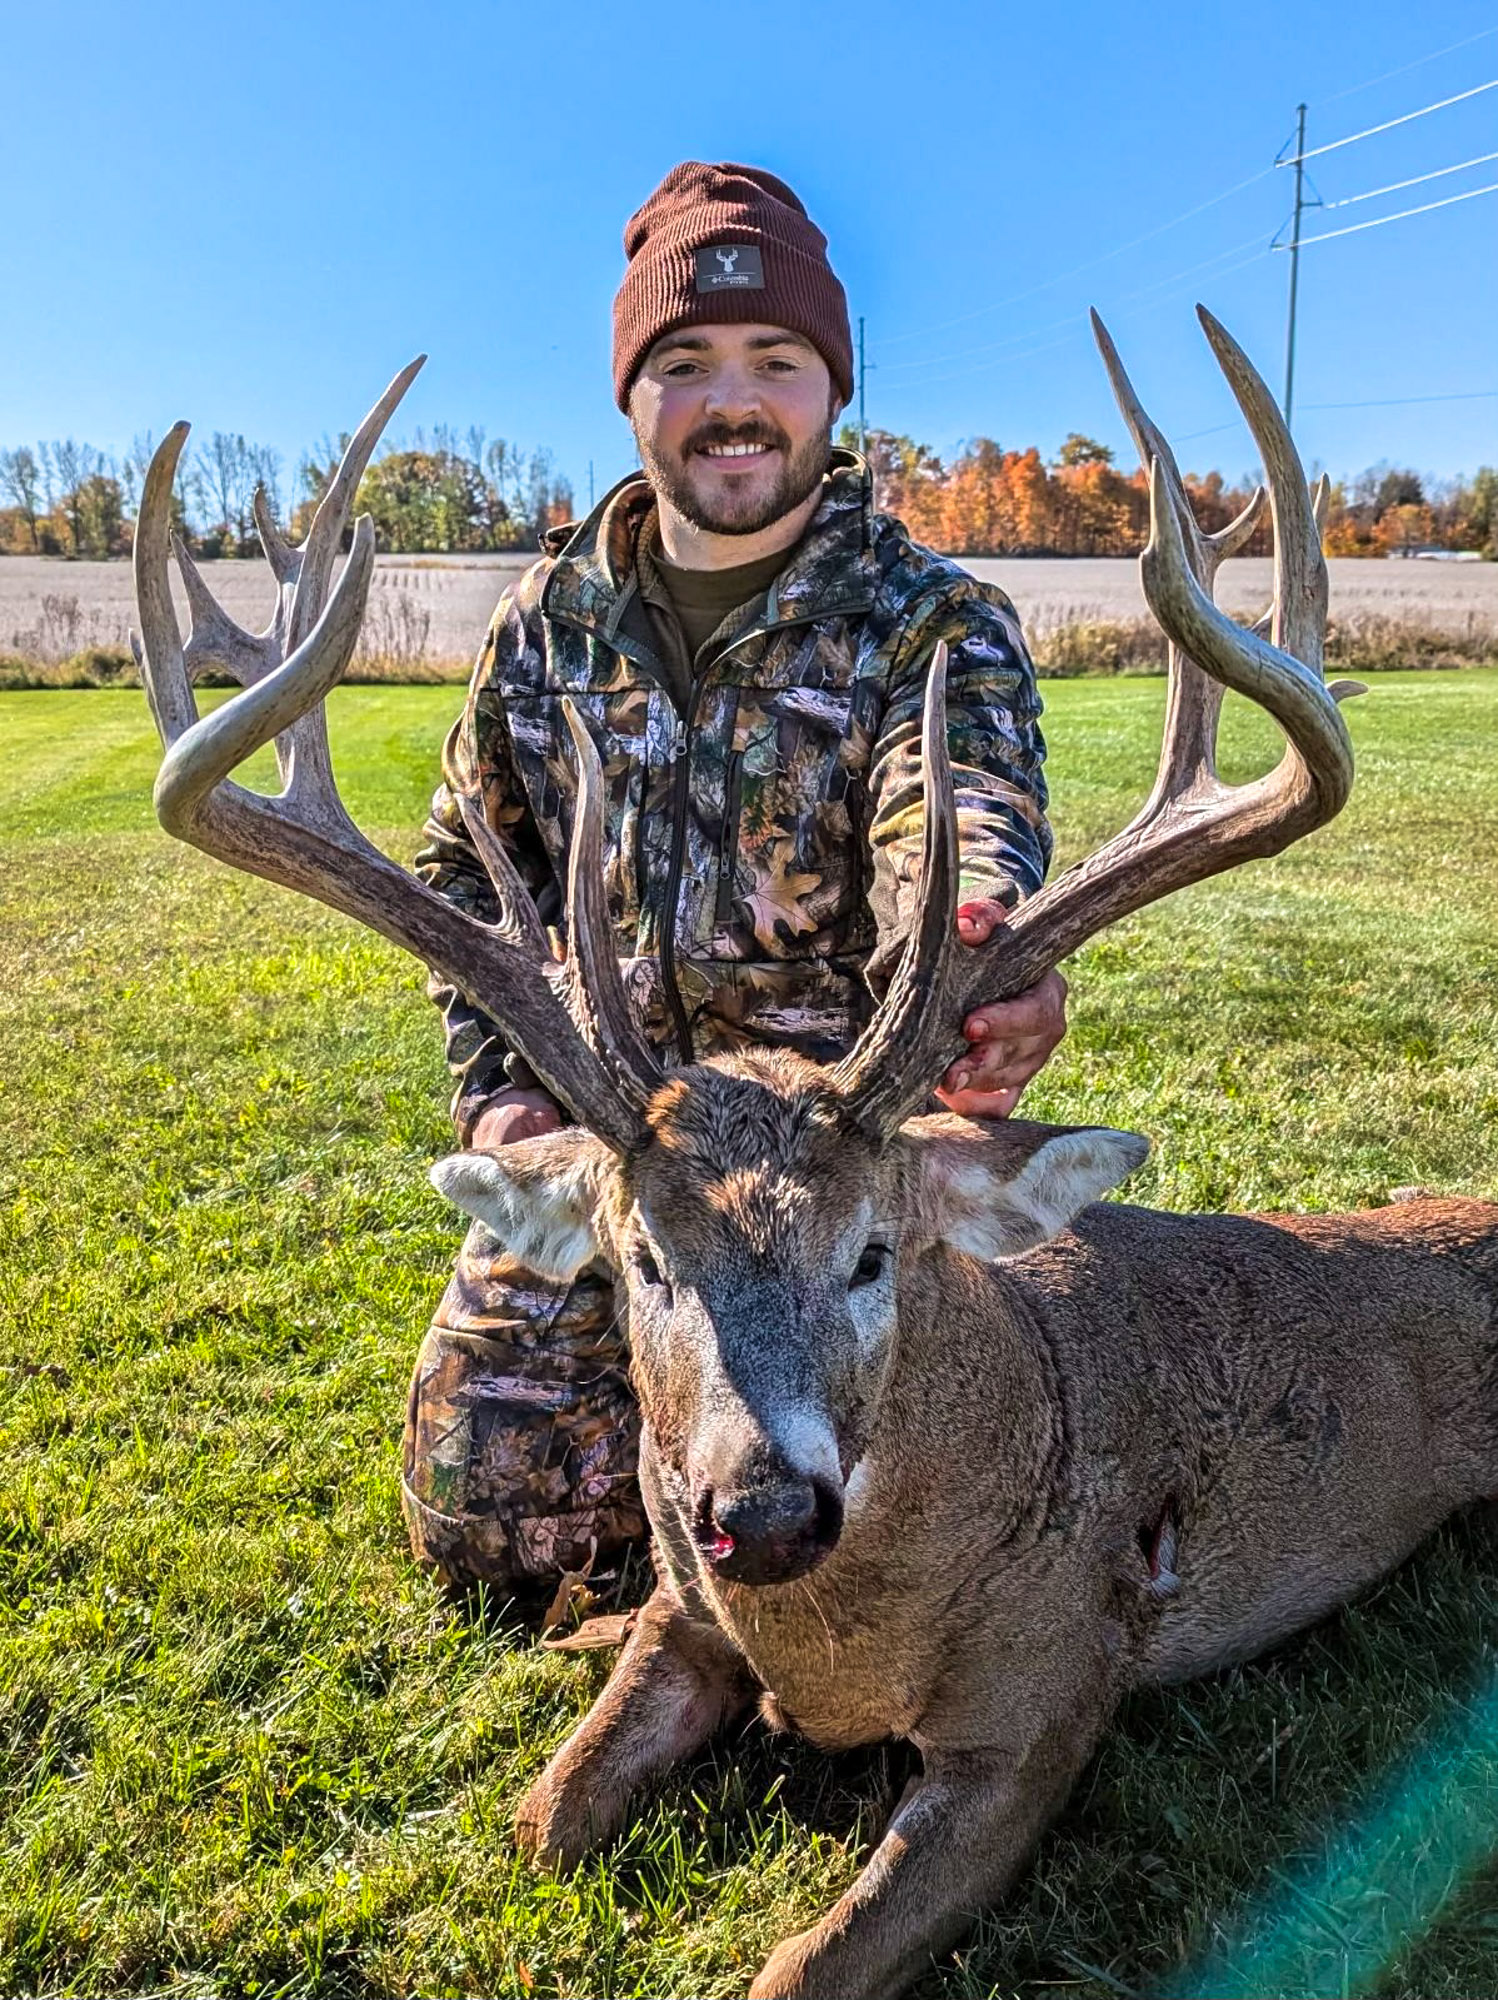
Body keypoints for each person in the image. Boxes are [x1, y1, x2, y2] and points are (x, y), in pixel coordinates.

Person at [405, 161, 1067, 1594]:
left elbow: (954, 806)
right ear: (632, 393)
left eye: (776, 359)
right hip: (625, 1141)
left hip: (836, 1157)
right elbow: (467, 867)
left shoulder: (929, 621)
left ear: (830, 391)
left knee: (895, 1528)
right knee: (504, 1540)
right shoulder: (544, 629)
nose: (733, 400)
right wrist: (500, 1089)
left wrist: (979, 935)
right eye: (685, 362)